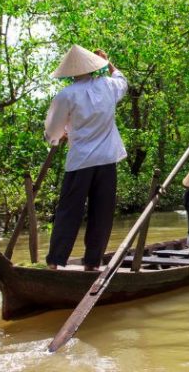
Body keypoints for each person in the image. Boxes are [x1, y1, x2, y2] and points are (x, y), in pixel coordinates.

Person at [44, 45, 127, 271]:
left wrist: (58, 136)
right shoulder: (108, 86)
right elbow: (122, 80)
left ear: (71, 72)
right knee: (102, 213)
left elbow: (52, 131)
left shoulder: (66, 95)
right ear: (94, 67)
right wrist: (107, 63)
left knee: (69, 211)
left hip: (80, 162)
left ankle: (55, 262)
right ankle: (92, 263)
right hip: (107, 161)